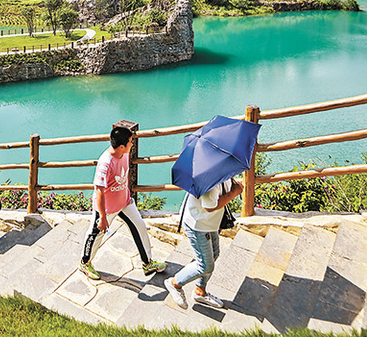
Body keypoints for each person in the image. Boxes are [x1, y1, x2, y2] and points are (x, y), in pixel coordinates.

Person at [79, 125, 166, 280]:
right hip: (106, 208)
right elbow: (99, 191)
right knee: (95, 235)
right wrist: (103, 217)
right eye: (131, 142)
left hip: (125, 202)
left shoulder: (124, 153)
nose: (132, 144)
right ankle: (85, 263)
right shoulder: (105, 163)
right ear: (121, 146)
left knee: (140, 226)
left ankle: (147, 263)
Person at [164, 178, 244, 309]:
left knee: (214, 254)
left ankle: (199, 291)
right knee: (205, 265)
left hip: (209, 222)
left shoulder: (223, 173)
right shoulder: (208, 181)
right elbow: (209, 206)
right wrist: (234, 193)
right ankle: (174, 283)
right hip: (197, 225)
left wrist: (235, 185)